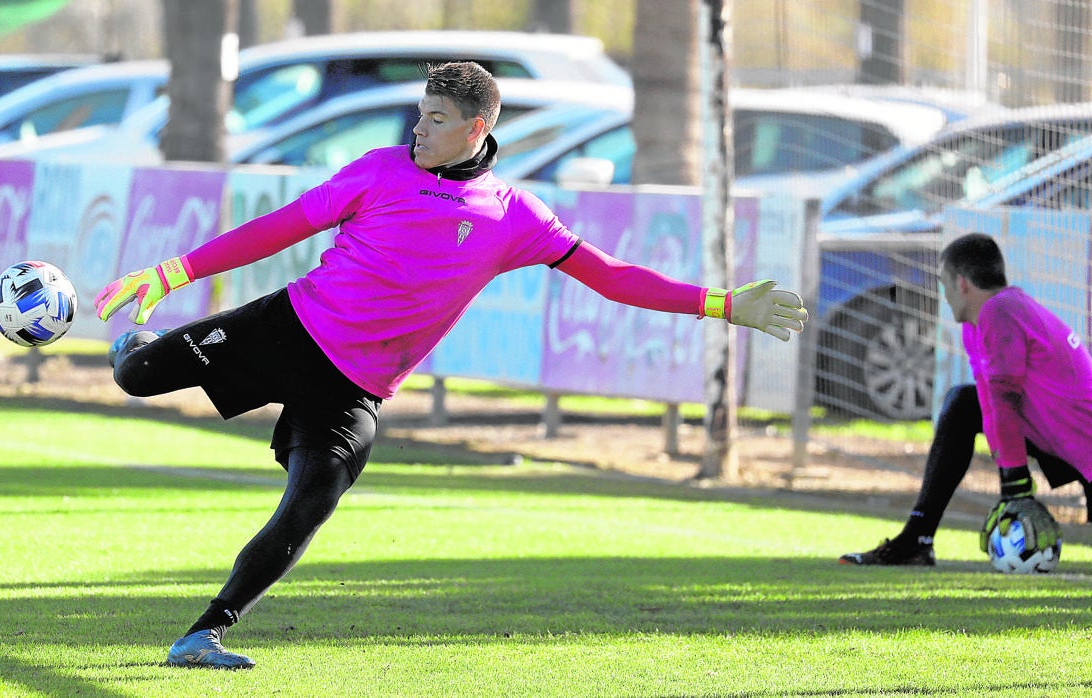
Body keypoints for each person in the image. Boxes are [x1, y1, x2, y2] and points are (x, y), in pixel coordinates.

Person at [94, 61, 808, 669]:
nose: (418, 129)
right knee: (136, 380)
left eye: (434, 119)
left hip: (354, 389)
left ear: (476, 127)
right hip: (289, 329)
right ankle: (133, 348)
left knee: (309, 504)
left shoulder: (514, 215)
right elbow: (282, 226)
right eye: (418, 114)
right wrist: (173, 272)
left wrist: (720, 303)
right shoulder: (379, 171)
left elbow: (612, 276)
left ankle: (204, 633)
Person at [839, 232, 1092, 566]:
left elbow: (1005, 402)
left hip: (1081, 444)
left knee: (962, 404)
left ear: (961, 284)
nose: (943, 294)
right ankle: (917, 538)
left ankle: (916, 539)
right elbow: (989, 404)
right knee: (962, 404)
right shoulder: (977, 323)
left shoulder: (1001, 310)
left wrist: (1015, 484)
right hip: (1061, 441)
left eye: (943, 283)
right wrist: (1011, 479)